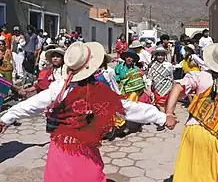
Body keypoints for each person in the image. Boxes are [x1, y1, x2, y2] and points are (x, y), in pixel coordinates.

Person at [0, 41, 177, 182]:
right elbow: (128, 108)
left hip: (59, 148)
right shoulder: (97, 91)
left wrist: (7, 117)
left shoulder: (59, 87)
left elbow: (32, 105)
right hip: (83, 149)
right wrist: (162, 117)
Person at [165, 43, 218, 182]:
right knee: (215, 174)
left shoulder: (199, 76)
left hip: (195, 131)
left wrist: (169, 113)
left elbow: (177, 87)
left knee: (193, 172)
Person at [147, 46, 173, 131]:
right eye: (159, 55)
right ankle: (166, 119)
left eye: (162, 55)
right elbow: (150, 77)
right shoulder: (153, 66)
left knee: (162, 104)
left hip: (167, 87)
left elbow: (171, 77)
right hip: (157, 88)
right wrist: (149, 88)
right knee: (159, 104)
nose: (160, 57)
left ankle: (162, 122)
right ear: (156, 56)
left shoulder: (168, 65)